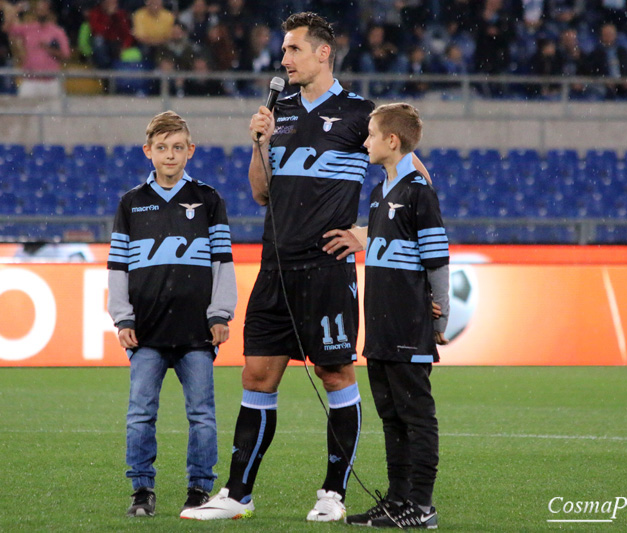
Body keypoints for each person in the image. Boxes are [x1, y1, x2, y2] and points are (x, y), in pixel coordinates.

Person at [181, 10, 434, 523]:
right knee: (256, 375)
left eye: (293, 49)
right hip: (275, 264)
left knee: (335, 373)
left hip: (327, 270)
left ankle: (333, 494)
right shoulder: (281, 112)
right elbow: (259, 192)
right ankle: (237, 493)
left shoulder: (361, 113)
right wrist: (259, 142)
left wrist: (364, 234)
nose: (284, 59)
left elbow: (416, 183)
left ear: (323, 53)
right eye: (283, 50)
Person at [107, 110, 238, 518]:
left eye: (177, 147)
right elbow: (117, 267)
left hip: (196, 331)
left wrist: (221, 314)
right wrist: (122, 317)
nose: (170, 155)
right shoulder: (131, 203)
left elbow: (223, 263)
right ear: (148, 151)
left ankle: (199, 490)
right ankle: (141, 491)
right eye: (161, 148)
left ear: (190, 151)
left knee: (202, 415)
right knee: (140, 413)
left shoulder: (209, 200)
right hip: (145, 331)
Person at [341, 103, 449, 529]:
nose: (365, 141)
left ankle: (422, 506)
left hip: (408, 325)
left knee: (416, 416)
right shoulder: (378, 193)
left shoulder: (419, 193)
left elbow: (437, 260)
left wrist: (439, 321)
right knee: (391, 417)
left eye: (370, 134)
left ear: (392, 140)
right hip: (381, 325)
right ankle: (398, 500)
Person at [9, 0, 71, 98]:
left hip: (51, 81)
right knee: (23, 111)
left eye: (44, 9)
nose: (41, 12)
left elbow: (66, 55)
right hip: (31, 80)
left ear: (50, 11)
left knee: (55, 112)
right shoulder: (28, 28)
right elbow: (7, 28)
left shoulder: (58, 32)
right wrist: (14, 11)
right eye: (39, 9)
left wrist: (49, 49)